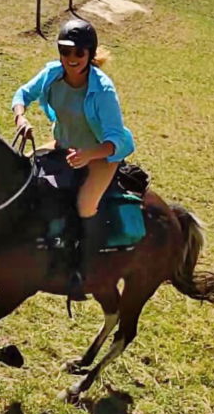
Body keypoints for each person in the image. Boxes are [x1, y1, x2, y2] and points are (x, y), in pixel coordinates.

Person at [11, 18, 135, 300]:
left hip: (101, 155)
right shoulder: (52, 73)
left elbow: (115, 138)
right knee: (22, 173)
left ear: (90, 54)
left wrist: (88, 155)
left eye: (79, 52)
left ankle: (82, 267)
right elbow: (22, 94)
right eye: (65, 51)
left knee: (85, 204)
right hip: (63, 145)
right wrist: (21, 116)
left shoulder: (103, 89)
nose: (71, 59)